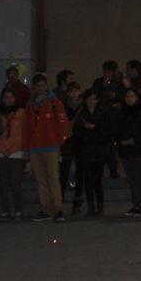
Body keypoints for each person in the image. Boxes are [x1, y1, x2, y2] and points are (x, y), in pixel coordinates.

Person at [24, 74, 69, 222]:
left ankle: (58, 209)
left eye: (42, 85)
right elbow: (27, 128)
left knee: (53, 178)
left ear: (46, 86)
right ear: (34, 87)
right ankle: (45, 208)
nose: (40, 88)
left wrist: (59, 143)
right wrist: (26, 148)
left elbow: (63, 125)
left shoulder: (55, 103)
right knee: (41, 179)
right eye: (37, 85)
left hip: (50, 146)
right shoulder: (30, 105)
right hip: (35, 148)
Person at [115, 88, 141, 217]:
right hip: (125, 150)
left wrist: (135, 140)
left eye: (132, 96)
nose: (129, 98)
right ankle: (135, 204)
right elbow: (117, 130)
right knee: (131, 179)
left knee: (138, 178)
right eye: (127, 96)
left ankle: (137, 205)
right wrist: (122, 141)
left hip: (140, 150)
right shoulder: (121, 113)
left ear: (136, 98)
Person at [72, 88, 112, 216]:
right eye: (89, 99)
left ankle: (100, 206)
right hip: (85, 151)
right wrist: (86, 130)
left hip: (99, 150)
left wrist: (94, 128)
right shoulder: (81, 114)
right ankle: (90, 207)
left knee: (97, 180)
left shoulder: (102, 113)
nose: (91, 101)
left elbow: (107, 131)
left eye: (94, 99)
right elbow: (76, 132)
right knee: (88, 180)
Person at [0, 88, 27, 219]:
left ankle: (19, 209)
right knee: (3, 182)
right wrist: (3, 148)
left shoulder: (21, 113)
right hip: (1, 151)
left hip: (16, 151)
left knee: (15, 181)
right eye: (6, 97)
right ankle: (5, 210)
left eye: (11, 97)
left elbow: (21, 134)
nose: (9, 100)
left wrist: (12, 148)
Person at [59, 81, 85, 213]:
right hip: (68, 142)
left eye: (77, 90)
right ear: (68, 93)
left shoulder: (83, 105)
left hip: (80, 142)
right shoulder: (63, 105)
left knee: (79, 173)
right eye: (72, 91)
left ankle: (77, 201)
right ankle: (60, 200)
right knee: (63, 173)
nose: (75, 94)